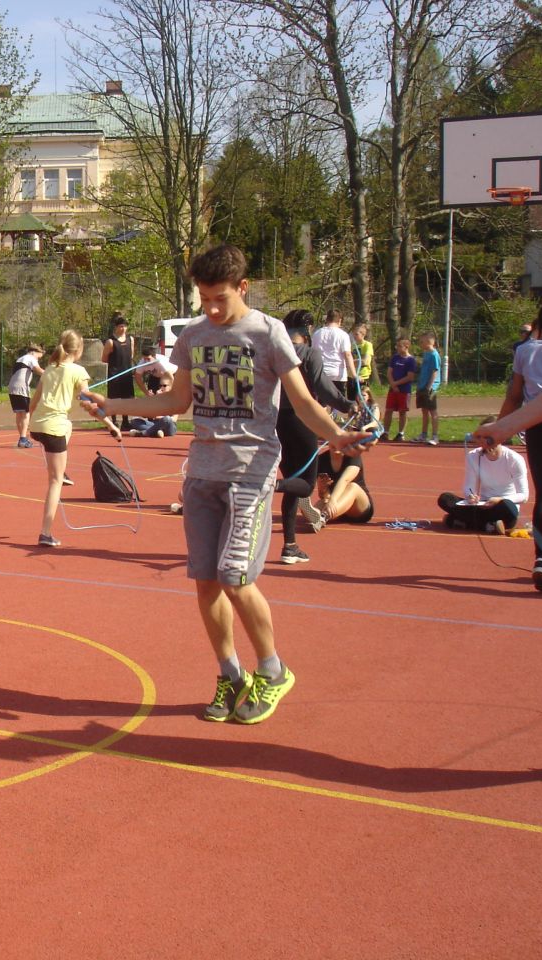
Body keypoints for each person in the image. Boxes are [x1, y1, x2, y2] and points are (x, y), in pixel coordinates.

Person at [80, 244, 371, 724]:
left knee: (235, 575)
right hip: (202, 472)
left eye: (221, 299)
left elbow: (301, 401)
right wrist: (114, 407)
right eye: (205, 299)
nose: (212, 309)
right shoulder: (194, 335)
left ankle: (273, 670)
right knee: (206, 581)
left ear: (243, 287)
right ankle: (231, 674)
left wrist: (337, 435)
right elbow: (175, 402)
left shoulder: (268, 332)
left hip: (250, 472)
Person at [274, 310, 353, 564]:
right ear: (307, 330)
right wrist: (347, 405)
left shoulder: (273, 353)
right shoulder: (308, 354)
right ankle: (270, 486)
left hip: (276, 421)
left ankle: (290, 546)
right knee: (305, 485)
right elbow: (323, 387)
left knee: (293, 483)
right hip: (302, 419)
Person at [498, 297, 542, 588]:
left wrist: (499, 428)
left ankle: (541, 559)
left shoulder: (524, 350)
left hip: (536, 423)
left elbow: (514, 396)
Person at [27, 330, 90, 548]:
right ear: (78, 350)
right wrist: (109, 422)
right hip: (53, 428)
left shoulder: (49, 370)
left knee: (68, 426)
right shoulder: (78, 371)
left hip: (37, 425)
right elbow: (87, 400)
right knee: (54, 482)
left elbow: (33, 404)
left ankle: (61, 471)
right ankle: (45, 533)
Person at [438, 420, 528, 535]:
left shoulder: (514, 459)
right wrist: (471, 496)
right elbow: (469, 487)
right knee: (445, 499)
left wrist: (499, 499)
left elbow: (523, 496)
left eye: (487, 437)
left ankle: (462, 522)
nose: (483, 442)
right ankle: (488, 526)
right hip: (482, 505)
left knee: (508, 507)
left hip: (502, 505)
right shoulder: (473, 456)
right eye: (480, 437)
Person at [312, 448, 374, 526]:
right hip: (338, 506)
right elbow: (324, 495)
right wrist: (323, 489)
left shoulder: (353, 456)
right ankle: (314, 515)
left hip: (359, 508)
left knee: (353, 487)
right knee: (319, 505)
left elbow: (345, 480)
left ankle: (323, 516)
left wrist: (332, 500)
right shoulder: (321, 459)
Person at [311, 308, 356, 399]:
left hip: (321, 372)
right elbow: (347, 355)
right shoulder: (343, 335)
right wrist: (354, 374)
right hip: (337, 374)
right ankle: (334, 410)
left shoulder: (317, 334)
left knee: (321, 400)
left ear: (327, 319)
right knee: (338, 401)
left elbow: (312, 352)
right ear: (340, 321)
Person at [101, 314, 135, 430]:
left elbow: (131, 355)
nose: (123, 328)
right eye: (121, 326)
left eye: (125, 326)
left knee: (126, 398)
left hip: (126, 373)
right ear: (116, 327)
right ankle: (114, 421)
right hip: (114, 374)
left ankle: (125, 421)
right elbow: (104, 358)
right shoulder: (110, 341)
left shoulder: (130, 339)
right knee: (114, 398)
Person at [8, 344, 44, 448]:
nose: (37, 359)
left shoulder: (21, 358)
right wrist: (51, 375)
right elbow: (38, 369)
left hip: (12, 387)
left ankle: (22, 438)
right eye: (38, 357)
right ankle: (23, 439)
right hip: (21, 387)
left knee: (19, 413)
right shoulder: (30, 358)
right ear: (34, 352)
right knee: (26, 413)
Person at [383, 337, 418, 442]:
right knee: (388, 410)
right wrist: (393, 385)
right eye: (396, 346)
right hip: (393, 389)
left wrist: (397, 384)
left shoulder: (411, 360)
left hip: (404, 390)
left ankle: (401, 433)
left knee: (402, 412)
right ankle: (385, 432)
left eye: (399, 346)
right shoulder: (395, 358)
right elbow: (389, 372)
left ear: (406, 346)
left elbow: (410, 377)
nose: (397, 348)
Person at [413, 331, 442, 444]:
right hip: (422, 386)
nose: (420, 344)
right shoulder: (426, 353)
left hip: (430, 387)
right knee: (424, 411)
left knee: (432, 411)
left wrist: (429, 387)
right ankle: (423, 435)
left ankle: (435, 436)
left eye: (422, 341)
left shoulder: (434, 355)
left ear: (429, 342)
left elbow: (435, 371)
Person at [350, 322, 374, 398]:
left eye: (356, 334)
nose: (354, 336)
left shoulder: (367, 345)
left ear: (363, 334)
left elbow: (365, 361)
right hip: (352, 376)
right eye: (353, 334)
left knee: (363, 397)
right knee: (351, 398)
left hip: (363, 376)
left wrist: (352, 362)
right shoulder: (352, 346)